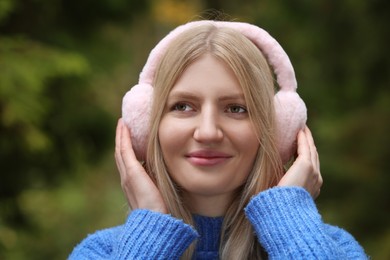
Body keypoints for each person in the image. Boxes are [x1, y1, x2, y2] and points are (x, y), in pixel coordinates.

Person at [69, 20, 367, 259]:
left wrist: (288, 217)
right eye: (183, 106)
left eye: (236, 109)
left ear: (276, 131)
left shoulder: (335, 249)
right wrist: (150, 232)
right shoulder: (101, 253)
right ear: (148, 125)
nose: (208, 132)